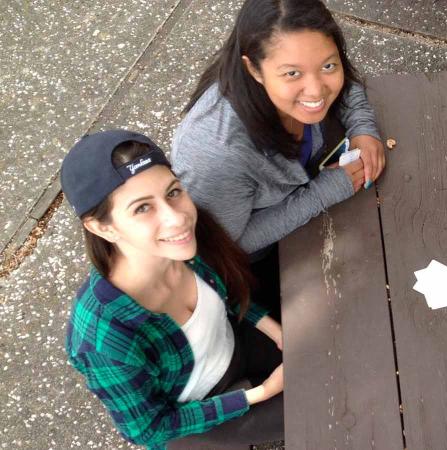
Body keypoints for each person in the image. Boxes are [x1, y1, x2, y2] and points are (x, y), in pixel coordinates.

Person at [62, 130, 284, 450]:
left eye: (173, 191)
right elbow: (150, 428)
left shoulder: (184, 246)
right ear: (102, 227)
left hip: (235, 347)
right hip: (194, 416)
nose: (177, 217)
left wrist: (271, 327)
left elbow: (229, 294)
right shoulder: (102, 338)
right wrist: (259, 393)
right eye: (142, 208)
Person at [172, 0, 385, 259]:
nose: (317, 90)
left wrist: (363, 129)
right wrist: (322, 194)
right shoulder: (217, 156)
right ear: (254, 69)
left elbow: (346, 86)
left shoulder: (306, 66)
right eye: (293, 74)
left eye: (328, 66)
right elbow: (222, 246)